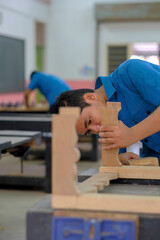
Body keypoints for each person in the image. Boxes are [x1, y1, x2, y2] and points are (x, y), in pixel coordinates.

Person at [52, 59, 160, 164]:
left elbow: (131, 135)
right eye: (89, 131)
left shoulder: (131, 71)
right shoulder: (103, 120)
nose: (97, 129)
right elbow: (117, 157)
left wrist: (132, 134)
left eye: (89, 121)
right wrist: (119, 159)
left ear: (90, 98)